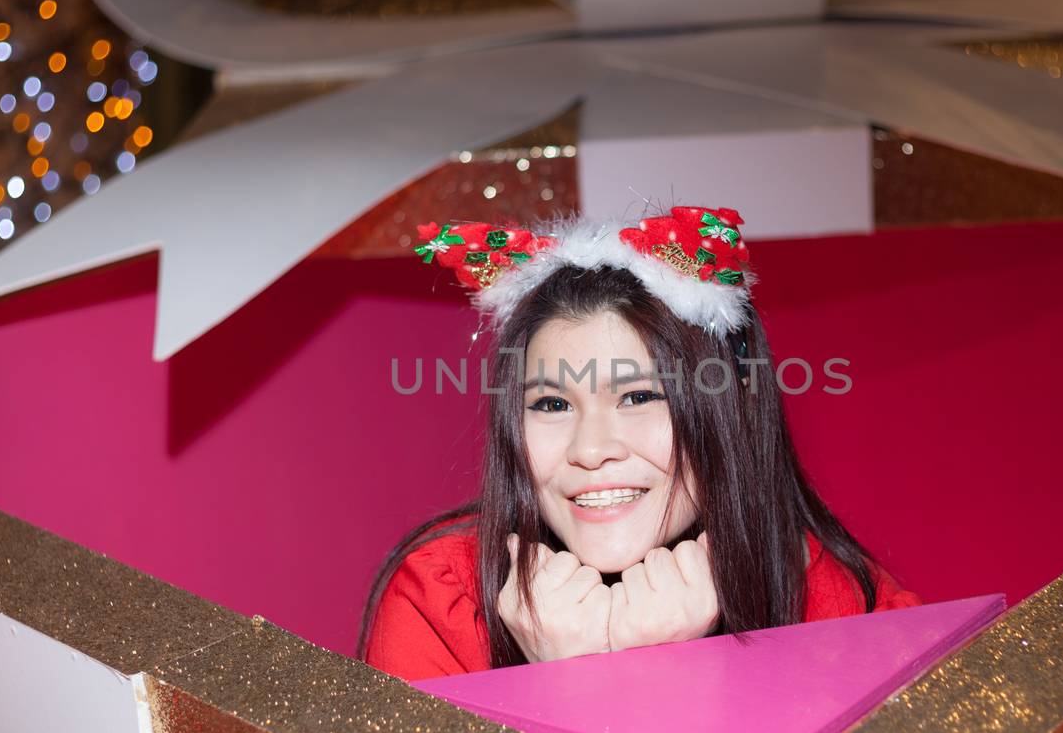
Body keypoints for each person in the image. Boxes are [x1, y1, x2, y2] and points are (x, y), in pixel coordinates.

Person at [359, 205, 919, 681]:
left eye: (638, 397)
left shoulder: (855, 616)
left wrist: (661, 676)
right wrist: (567, 684)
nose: (591, 449)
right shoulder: (443, 599)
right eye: (552, 404)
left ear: (731, 409)